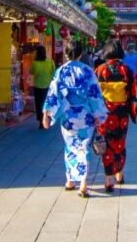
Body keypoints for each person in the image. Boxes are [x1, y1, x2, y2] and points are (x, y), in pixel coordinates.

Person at [42, 39, 108, 198]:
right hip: (86, 116)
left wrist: (46, 114)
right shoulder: (87, 71)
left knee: (70, 147)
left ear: (66, 53)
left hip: (67, 115)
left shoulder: (61, 71)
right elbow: (94, 95)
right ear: (81, 54)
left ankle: (70, 180)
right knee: (84, 148)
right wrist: (98, 114)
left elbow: (53, 93)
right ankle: (83, 183)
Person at [95, 41, 137, 191]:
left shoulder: (99, 70)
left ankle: (108, 179)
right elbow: (135, 91)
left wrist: (93, 112)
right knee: (119, 143)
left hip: (104, 112)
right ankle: (119, 173)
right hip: (121, 113)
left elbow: (93, 94)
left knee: (106, 144)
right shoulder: (126, 70)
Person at [29, 45, 56, 129]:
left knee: (39, 104)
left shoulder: (35, 63)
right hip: (48, 86)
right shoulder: (50, 62)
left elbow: (31, 72)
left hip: (37, 86)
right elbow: (54, 72)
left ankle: (41, 122)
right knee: (47, 103)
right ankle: (47, 120)